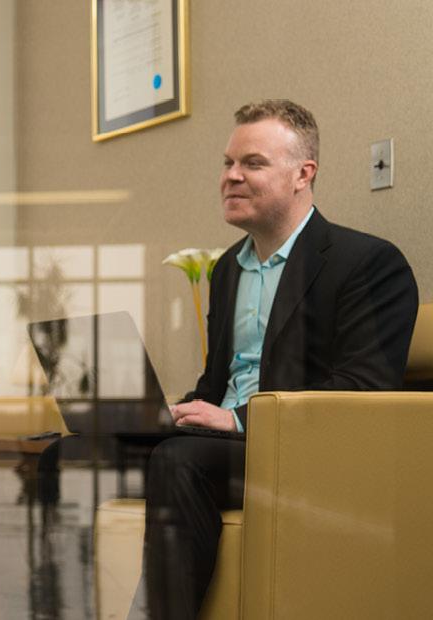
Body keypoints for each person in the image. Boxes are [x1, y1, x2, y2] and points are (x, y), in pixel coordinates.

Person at [141, 99, 419, 619]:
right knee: (62, 454)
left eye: (253, 163)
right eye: (227, 163)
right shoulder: (228, 269)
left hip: (291, 453)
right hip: (219, 442)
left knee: (177, 461)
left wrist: (236, 420)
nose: (232, 177)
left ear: (302, 174)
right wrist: (163, 413)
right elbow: (216, 380)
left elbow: (364, 391)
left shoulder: (368, 263)